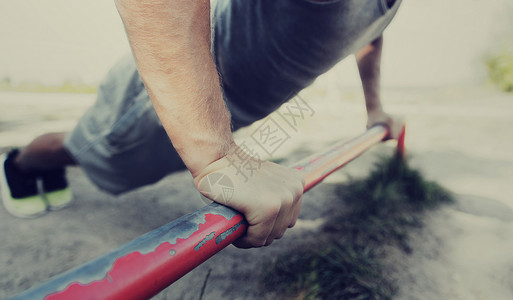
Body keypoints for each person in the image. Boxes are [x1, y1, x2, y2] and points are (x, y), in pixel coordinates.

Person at [0, 0, 403, 248]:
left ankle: (48, 171)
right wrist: (216, 156)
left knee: (127, 166)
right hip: (180, 88)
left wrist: (374, 108)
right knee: (88, 150)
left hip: (224, 112)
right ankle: (18, 166)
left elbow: (370, 32)